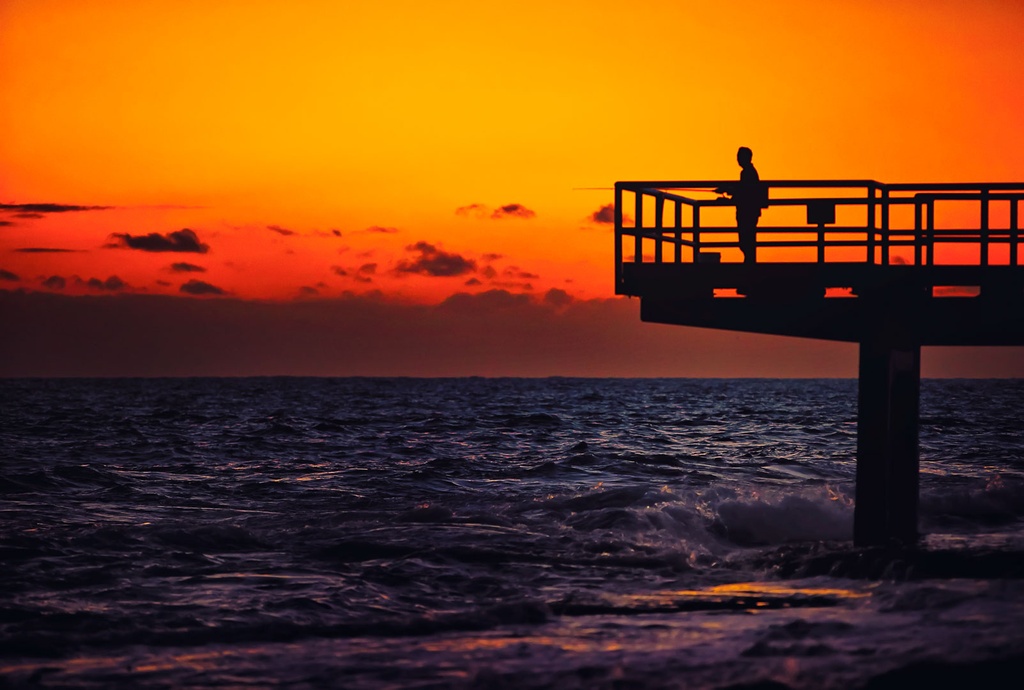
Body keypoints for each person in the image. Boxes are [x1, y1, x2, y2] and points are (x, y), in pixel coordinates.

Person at [716, 147, 766, 264]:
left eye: (739, 156)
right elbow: (743, 191)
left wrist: (728, 192)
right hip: (750, 211)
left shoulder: (747, 173)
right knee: (747, 240)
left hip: (746, 212)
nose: (737, 159)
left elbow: (744, 192)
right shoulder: (750, 172)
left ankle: (749, 264)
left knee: (745, 240)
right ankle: (749, 262)